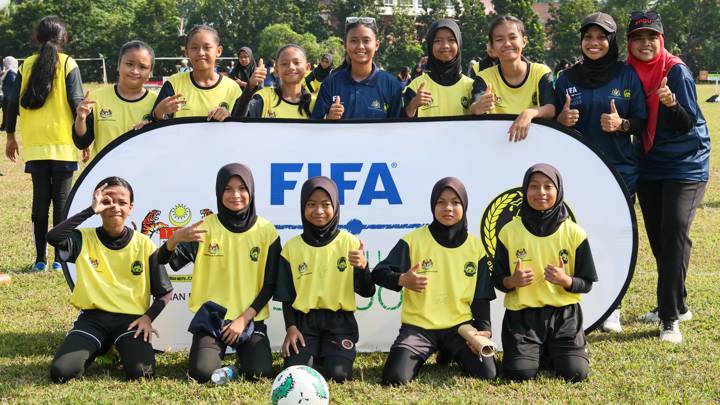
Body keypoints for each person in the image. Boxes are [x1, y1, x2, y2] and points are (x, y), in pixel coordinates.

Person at [554, 13, 647, 333]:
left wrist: (621, 125)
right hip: (577, 171)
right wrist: (561, 121)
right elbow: (553, 122)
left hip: (620, 169)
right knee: (579, 236)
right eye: (588, 37)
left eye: (601, 37)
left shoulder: (626, 75)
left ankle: (613, 305)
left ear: (612, 42)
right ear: (581, 42)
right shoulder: (566, 78)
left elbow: (641, 120)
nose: (594, 43)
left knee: (613, 237)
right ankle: (578, 298)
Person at [625, 11, 710, 344]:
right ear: (630, 43)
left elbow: (687, 122)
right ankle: (680, 303)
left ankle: (669, 317)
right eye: (638, 38)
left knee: (674, 228)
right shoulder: (628, 72)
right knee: (661, 239)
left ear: (661, 41)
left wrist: (671, 103)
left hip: (686, 162)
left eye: (652, 38)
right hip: (649, 161)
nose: (645, 44)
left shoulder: (676, 72)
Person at [158, 163, 281, 382]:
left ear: (251, 191)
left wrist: (243, 320)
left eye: (242, 188)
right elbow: (166, 261)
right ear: (218, 192)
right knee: (202, 374)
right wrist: (175, 239)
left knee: (259, 373)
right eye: (228, 189)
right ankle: (226, 364)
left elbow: (271, 284)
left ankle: (240, 362)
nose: (235, 195)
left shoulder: (266, 231)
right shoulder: (205, 227)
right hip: (212, 319)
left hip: (249, 319)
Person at [46, 177, 173, 382]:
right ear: (99, 203)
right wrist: (90, 210)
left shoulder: (145, 244)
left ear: (130, 208)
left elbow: (165, 292)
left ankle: (116, 345)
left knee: (142, 373)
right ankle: (102, 346)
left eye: (122, 202)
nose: (115, 207)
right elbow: (53, 238)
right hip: (92, 319)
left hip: (129, 322)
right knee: (61, 373)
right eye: (108, 201)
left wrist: (148, 318)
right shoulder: (83, 238)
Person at [373, 177, 497, 385]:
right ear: (433, 206)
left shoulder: (475, 248)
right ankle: (440, 351)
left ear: (464, 206)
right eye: (441, 202)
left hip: (460, 329)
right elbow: (378, 272)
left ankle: (448, 353)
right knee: (395, 378)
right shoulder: (413, 241)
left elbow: (481, 295)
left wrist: (484, 331)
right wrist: (402, 279)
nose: (448, 208)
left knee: (487, 373)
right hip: (418, 328)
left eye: (455, 202)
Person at [493, 164, 597, 382]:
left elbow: (586, 282)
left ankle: (554, 350)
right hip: (522, 319)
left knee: (576, 373)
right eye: (534, 187)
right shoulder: (509, 232)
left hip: (564, 317)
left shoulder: (574, 233)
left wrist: (566, 280)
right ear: (524, 190)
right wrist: (513, 280)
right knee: (519, 373)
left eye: (548, 186)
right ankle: (539, 351)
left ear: (558, 191)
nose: (541, 192)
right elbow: (497, 279)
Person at [274, 177, 375, 382]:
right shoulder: (291, 248)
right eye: (311, 204)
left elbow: (368, 291)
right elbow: (287, 296)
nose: (319, 211)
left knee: (338, 375)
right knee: (297, 374)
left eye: (325, 204)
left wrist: (363, 268)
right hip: (304, 324)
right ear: (303, 207)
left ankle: (328, 353)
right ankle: (313, 352)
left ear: (335, 207)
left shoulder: (350, 242)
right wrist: (291, 328)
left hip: (340, 323)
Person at [4, 15, 83, 272]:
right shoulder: (69, 63)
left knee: (40, 206)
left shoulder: (26, 65)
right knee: (61, 206)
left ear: (37, 37)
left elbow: (12, 102)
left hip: (36, 147)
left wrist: (10, 136)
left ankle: (40, 260)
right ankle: (60, 260)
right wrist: (84, 139)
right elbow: (76, 103)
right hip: (64, 145)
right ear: (64, 38)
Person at [470, 15, 556, 142]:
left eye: (513, 37)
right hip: (495, 145)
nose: (507, 44)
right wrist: (479, 106)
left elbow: (551, 108)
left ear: (524, 41)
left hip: (534, 144)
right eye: (499, 39)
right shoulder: (484, 77)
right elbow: (475, 106)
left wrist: (531, 113)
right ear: (492, 47)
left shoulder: (541, 72)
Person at [73, 40, 157, 160]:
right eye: (129, 64)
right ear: (118, 65)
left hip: (142, 173)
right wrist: (80, 119)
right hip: (105, 174)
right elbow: (82, 142)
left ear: (150, 72)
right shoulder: (96, 99)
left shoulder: (157, 102)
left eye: (142, 67)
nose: (135, 71)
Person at [311, 17, 403, 120]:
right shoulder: (330, 83)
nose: (360, 46)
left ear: (376, 45)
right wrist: (329, 119)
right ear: (345, 44)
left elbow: (399, 129)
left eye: (366, 41)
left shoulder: (392, 85)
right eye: (354, 41)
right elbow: (315, 128)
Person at [152, 25, 239, 122]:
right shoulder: (174, 83)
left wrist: (229, 117)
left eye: (207, 47)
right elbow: (157, 123)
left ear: (218, 51)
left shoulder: (233, 88)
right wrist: (158, 112)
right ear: (187, 52)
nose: (201, 53)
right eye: (194, 48)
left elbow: (241, 127)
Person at [403, 19, 475, 118]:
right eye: (438, 41)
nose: (445, 45)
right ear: (430, 45)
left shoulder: (472, 86)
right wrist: (413, 105)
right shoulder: (416, 86)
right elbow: (400, 124)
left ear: (459, 43)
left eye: (451, 40)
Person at [233, 45, 315, 119]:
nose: (291, 67)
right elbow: (238, 120)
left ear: (307, 67)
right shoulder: (264, 97)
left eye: (297, 63)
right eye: (284, 63)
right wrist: (250, 86)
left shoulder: (315, 103)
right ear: (276, 69)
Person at [1, 56, 19, 132]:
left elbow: (13, 83)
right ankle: (4, 126)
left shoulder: (11, 72)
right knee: (6, 112)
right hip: (7, 95)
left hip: (10, 96)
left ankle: (5, 126)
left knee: (8, 113)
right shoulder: (9, 72)